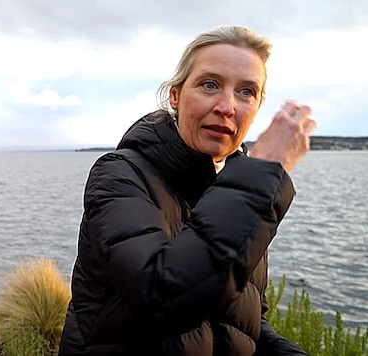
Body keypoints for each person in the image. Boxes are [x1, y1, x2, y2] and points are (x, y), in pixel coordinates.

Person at [58, 25, 316, 355]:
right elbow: (162, 297)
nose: (227, 106)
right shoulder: (120, 174)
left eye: (246, 92)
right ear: (176, 96)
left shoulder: (241, 189)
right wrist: (263, 173)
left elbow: (240, 320)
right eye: (210, 84)